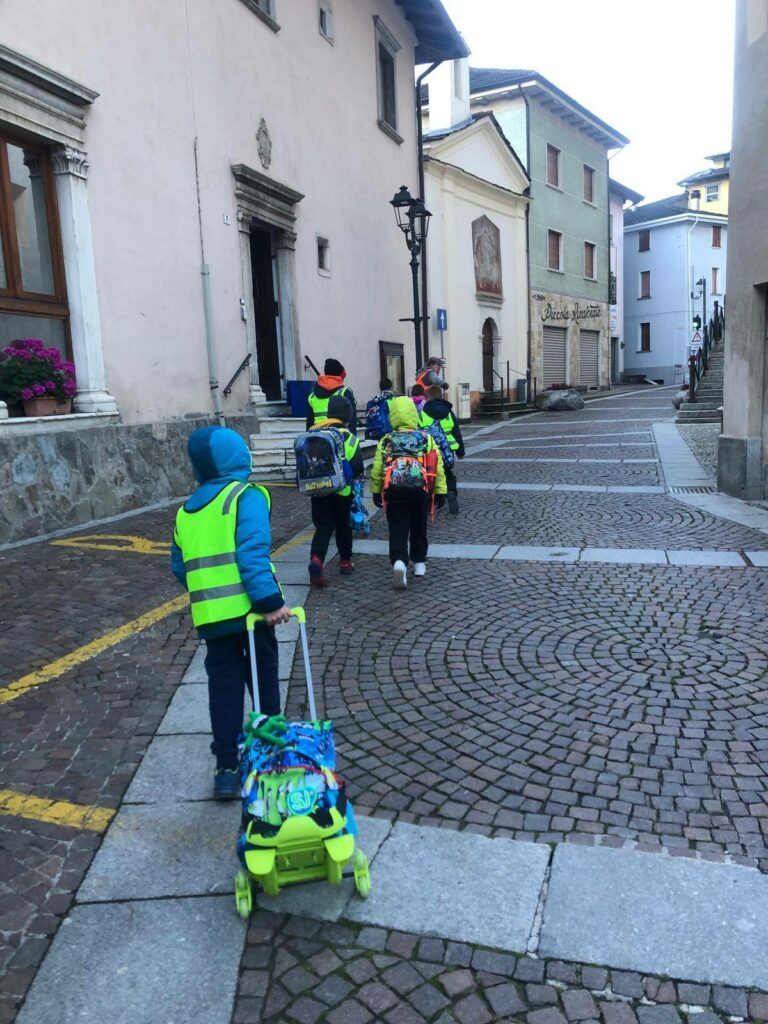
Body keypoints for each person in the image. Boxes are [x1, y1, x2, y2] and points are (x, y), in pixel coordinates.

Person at [170, 426, 292, 799]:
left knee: (222, 689)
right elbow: (252, 553)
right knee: (264, 683)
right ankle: (271, 752)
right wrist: (270, 603)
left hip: (212, 619)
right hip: (252, 617)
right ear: (238, 457)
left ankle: (226, 767)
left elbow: (180, 567)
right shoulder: (246, 496)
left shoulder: (185, 512)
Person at [370, 396, 446, 588]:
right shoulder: (424, 438)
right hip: (420, 492)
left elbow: (378, 468)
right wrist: (441, 491)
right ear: (414, 414)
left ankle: (399, 561)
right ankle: (419, 562)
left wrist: (376, 490)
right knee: (419, 525)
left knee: (397, 526)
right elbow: (437, 466)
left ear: (393, 416)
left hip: (394, 491)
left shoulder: (387, 440)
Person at [307, 395, 364, 585]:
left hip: (318, 489)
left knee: (323, 527)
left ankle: (316, 560)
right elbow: (357, 468)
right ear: (348, 417)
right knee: (343, 527)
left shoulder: (314, 433)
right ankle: (346, 562)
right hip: (342, 492)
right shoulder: (350, 438)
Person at [419, 383, 465, 515]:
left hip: (430, 452)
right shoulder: (449, 412)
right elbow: (457, 432)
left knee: (430, 475)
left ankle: (435, 499)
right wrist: (460, 451)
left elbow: (418, 431)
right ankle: (450, 492)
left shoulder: (423, 414)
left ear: (427, 399)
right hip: (448, 450)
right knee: (447, 472)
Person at [307, 358, 357, 430]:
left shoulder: (312, 396)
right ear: (340, 377)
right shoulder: (344, 392)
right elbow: (352, 420)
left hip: (318, 435)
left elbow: (309, 422)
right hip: (339, 435)